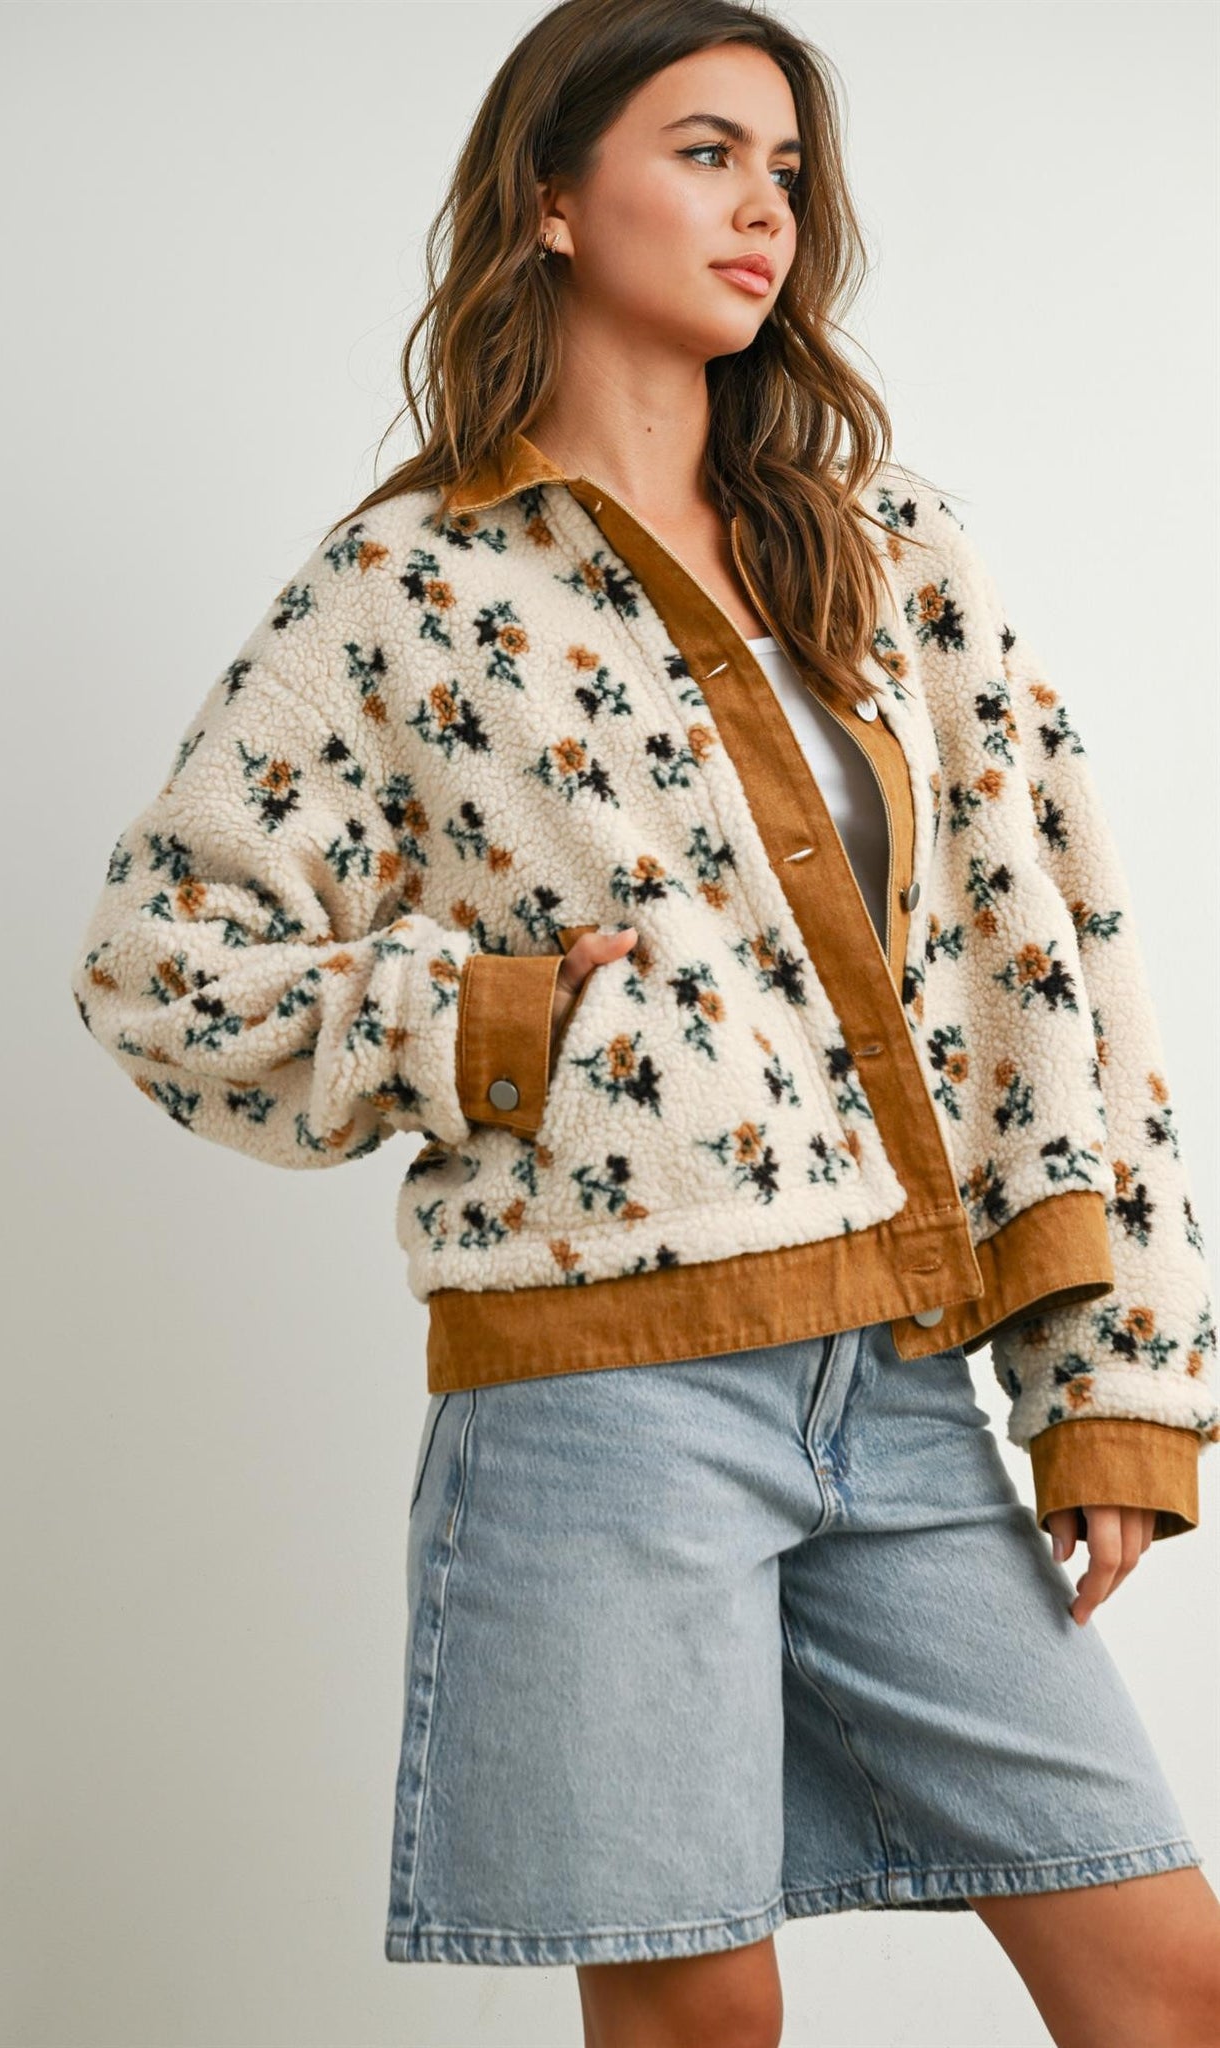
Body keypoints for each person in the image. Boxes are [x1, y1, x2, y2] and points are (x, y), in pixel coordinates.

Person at [68, 2, 1220, 2041]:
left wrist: (1106, 1370)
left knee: (1163, 1980)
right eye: (703, 152)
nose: (761, 207)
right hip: (600, 1407)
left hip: (899, 1380)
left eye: (784, 170)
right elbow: (158, 961)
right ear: (547, 200)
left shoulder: (885, 550)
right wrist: (482, 1028)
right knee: (703, 2020)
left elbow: (1049, 951)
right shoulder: (407, 589)